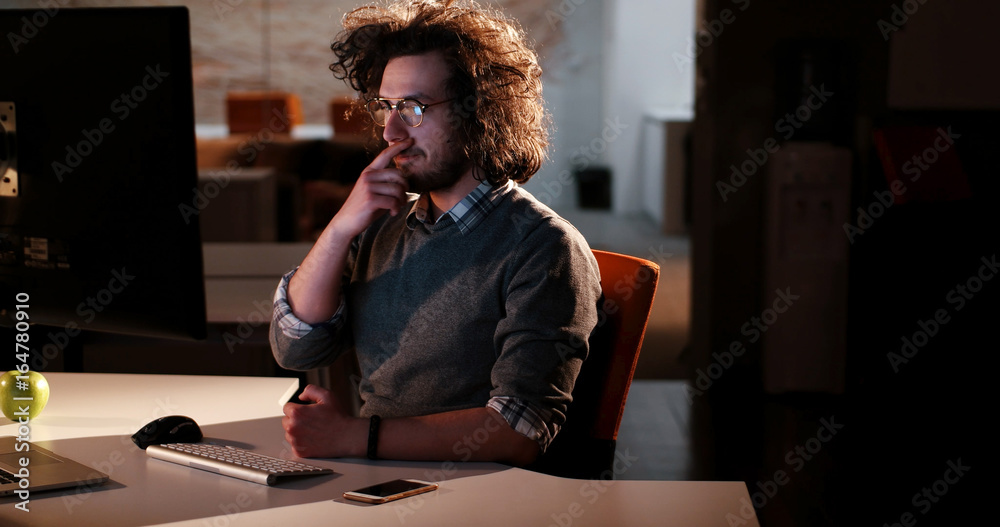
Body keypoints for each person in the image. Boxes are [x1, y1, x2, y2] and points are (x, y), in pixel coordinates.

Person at [269, 0, 601, 468]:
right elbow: (296, 347)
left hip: (478, 499)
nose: (391, 131)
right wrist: (341, 227)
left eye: (414, 108)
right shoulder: (380, 225)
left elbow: (519, 430)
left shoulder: (545, 247)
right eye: (386, 107)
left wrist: (353, 437)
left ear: (480, 112)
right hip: (376, 481)